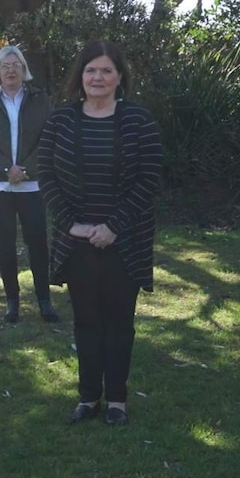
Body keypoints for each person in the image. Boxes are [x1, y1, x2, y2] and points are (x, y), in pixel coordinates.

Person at [38, 41, 162, 426]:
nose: (98, 77)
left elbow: (149, 179)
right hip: (77, 242)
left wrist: (113, 227)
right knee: (86, 321)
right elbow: (46, 176)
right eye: (91, 70)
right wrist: (70, 224)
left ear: (119, 78)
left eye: (106, 71)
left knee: (119, 320)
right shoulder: (60, 121)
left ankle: (118, 400)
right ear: (81, 76)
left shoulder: (140, 122)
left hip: (123, 242)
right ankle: (88, 396)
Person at [0, 46, 59, 324]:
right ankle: (12, 302)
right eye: (5, 65)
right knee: (5, 244)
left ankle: (44, 300)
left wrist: (26, 170)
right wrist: (7, 168)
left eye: (16, 65)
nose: (11, 70)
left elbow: (49, 136)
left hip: (32, 185)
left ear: (24, 70)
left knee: (38, 242)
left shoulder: (39, 99)